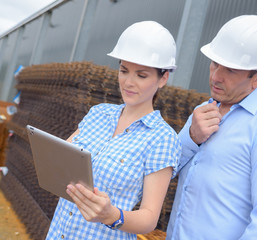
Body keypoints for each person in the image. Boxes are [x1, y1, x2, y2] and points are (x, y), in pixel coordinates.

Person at [45, 21, 181, 240]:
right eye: (124, 70)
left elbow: (149, 218)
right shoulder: (98, 114)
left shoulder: (162, 139)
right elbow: (63, 157)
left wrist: (112, 215)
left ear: (163, 78)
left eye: (141, 75)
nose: (128, 82)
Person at [166, 15, 257, 240]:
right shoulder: (201, 112)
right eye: (215, 63)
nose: (216, 76)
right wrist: (191, 137)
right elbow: (165, 171)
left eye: (231, 70)